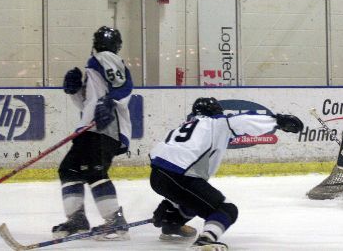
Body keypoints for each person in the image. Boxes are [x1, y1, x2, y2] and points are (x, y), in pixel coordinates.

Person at [149, 97, 303, 250]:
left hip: (157, 176)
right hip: (180, 176)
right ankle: (205, 240)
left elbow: (164, 159)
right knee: (226, 209)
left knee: (195, 201)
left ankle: (171, 223)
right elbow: (244, 120)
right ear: (216, 112)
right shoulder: (218, 122)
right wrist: (278, 121)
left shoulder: (182, 127)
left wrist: (169, 203)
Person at [52, 26, 134, 240]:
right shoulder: (96, 63)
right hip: (91, 127)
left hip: (105, 127)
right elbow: (88, 103)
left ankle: (115, 222)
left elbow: (124, 87)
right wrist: (75, 91)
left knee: (94, 171)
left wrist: (110, 101)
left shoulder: (104, 58)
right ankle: (77, 219)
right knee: (69, 169)